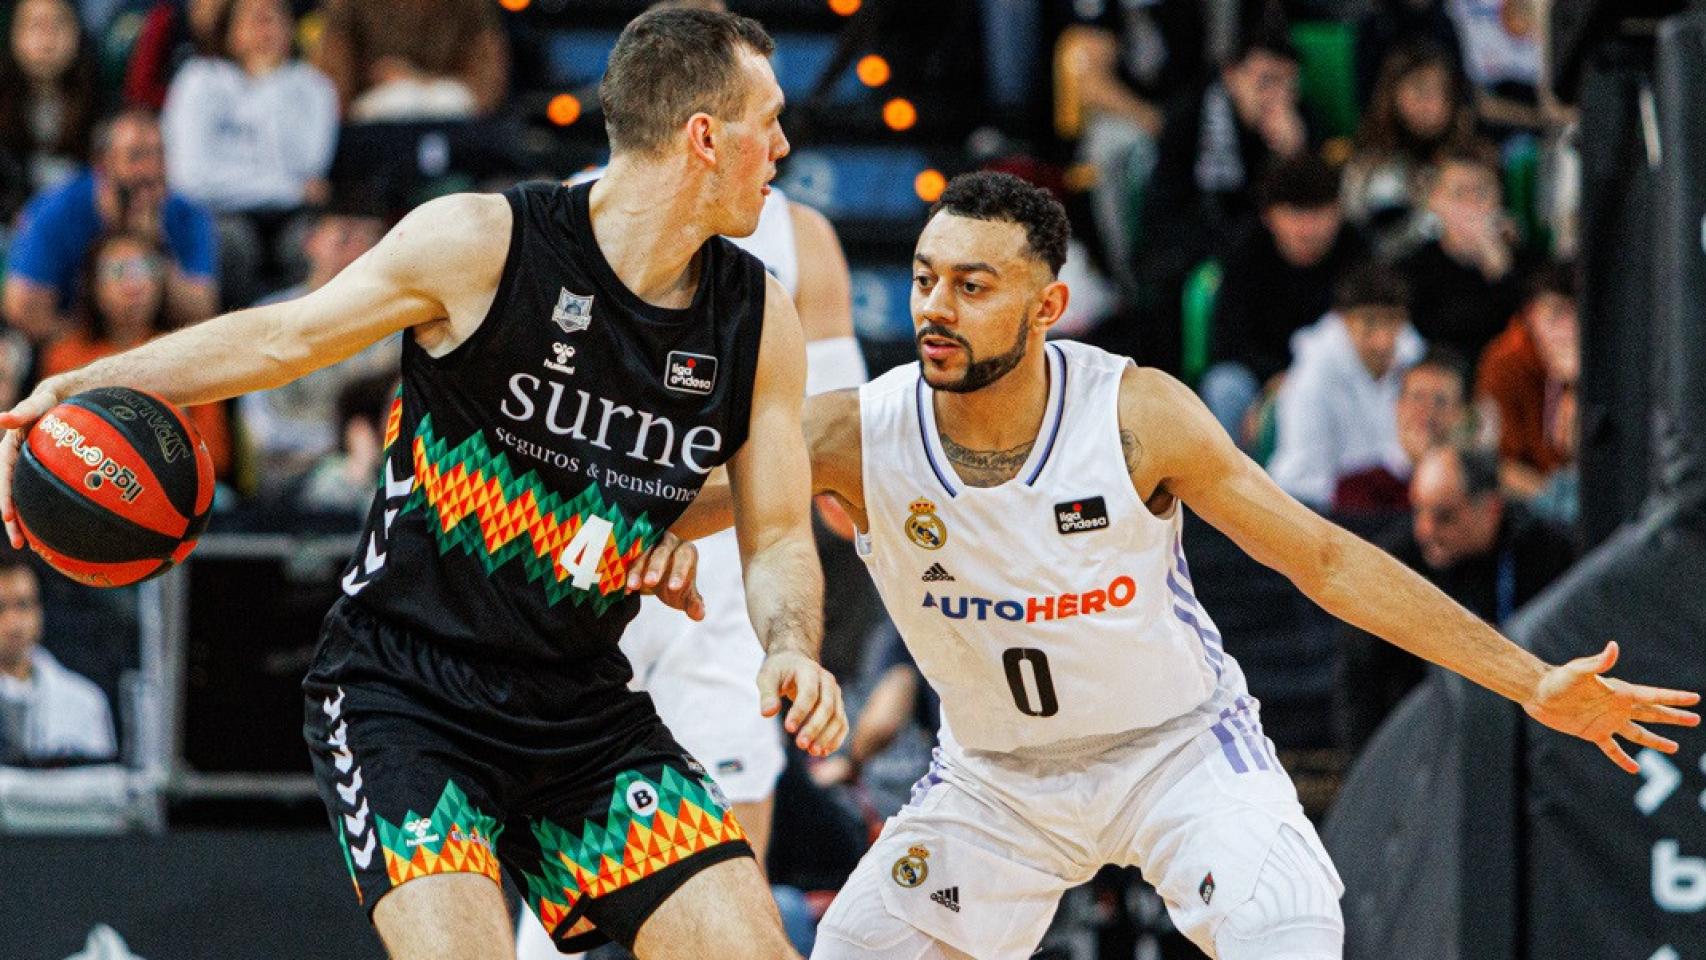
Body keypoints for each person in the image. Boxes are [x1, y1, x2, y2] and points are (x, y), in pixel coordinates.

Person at [675, 170, 1698, 960]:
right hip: (992, 780)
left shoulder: (1133, 414)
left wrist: (1529, 682)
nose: (935, 306)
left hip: (1175, 751)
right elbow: (677, 504)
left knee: (1292, 922)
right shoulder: (860, 432)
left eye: (972, 285)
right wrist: (565, 523)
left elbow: (1327, 561)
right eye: (924, 278)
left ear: (1047, 307)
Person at [0, 9, 847, 959]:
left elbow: (775, 535)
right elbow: (282, 338)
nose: (781, 146)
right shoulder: (484, 244)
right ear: (703, 137)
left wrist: (789, 644)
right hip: (405, 694)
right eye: (766, 121)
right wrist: (83, 384)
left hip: (579, 709)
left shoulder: (756, 319)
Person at [1335, 444, 1579, 750]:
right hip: (1422, 744)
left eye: (1444, 516)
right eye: (1418, 510)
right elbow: (1358, 681)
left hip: (1527, 737)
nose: (1425, 530)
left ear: (1490, 509)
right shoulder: (1395, 562)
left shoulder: (1546, 552)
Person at [161, 0, 340, 306]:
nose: (265, 29)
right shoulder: (198, 80)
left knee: (310, 245)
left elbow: (310, 163)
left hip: (291, 216)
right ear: (229, 28)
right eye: (255, 19)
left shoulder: (314, 87)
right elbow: (192, 177)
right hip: (219, 212)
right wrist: (287, 187)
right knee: (232, 242)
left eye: (274, 20)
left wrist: (270, 85)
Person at [3, 109, 220, 343]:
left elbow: (202, 312)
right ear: (103, 164)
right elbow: (21, 308)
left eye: (159, 155)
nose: (151, 169)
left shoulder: (187, 214)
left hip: (157, 346)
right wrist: (96, 349)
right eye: (136, 156)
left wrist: (157, 245)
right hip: (75, 345)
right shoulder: (56, 211)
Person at [1201, 154, 1369, 439]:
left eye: (1318, 213)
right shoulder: (1245, 253)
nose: (1308, 228)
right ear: (1269, 215)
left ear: (1338, 212)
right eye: (1295, 213)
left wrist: (1300, 380)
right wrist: (1275, 381)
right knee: (1224, 387)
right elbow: (1229, 343)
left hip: (1337, 380)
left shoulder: (1357, 254)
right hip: (1259, 379)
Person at [41, 231, 234, 480]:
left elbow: (216, 455)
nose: (135, 285)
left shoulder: (188, 352)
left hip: (175, 485)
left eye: (147, 269)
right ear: (93, 285)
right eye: (119, 271)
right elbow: (54, 445)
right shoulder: (65, 355)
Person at [237, 197, 392, 496]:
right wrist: (339, 444)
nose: (357, 252)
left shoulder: (395, 331)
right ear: (311, 241)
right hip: (286, 470)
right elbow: (259, 426)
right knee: (338, 483)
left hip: (368, 467)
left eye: (370, 242)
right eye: (345, 237)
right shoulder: (267, 318)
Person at [1266, 261, 1425, 511]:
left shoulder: (1416, 362)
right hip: (1314, 509)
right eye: (1370, 323)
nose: (1382, 341)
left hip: (1393, 505)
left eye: (1392, 322)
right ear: (1344, 320)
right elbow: (1303, 478)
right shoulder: (1312, 375)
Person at [1341, 41, 1475, 256]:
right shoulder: (1369, 163)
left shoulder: (1467, 157)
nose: (1434, 104)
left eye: (1443, 93)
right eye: (1421, 90)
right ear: (1392, 93)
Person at [1399, 140, 1526, 360]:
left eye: (1481, 192)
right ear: (1434, 200)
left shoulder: (1525, 265)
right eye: (1458, 193)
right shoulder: (1411, 270)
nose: (1470, 204)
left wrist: (1501, 271)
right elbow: (1436, 335)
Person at [0, 549, 115, 765]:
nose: (13, 623)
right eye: (0, 608)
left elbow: (102, 791)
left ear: (40, 611)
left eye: (23, 605)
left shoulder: (85, 701)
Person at [1476, 258, 1577, 500]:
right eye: (1555, 314)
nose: (1568, 329)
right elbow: (1497, 464)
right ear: (1531, 315)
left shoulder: (1607, 355)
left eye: (1577, 314)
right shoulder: (1506, 363)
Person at [314, 0, 508, 121]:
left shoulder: (469, 6)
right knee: (395, 102)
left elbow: (486, 82)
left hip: (452, 122)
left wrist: (417, 80)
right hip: (373, 123)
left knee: (447, 99)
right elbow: (330, 86)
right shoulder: (349, 6)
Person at [1333, 346, 1470, 515]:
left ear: (1460, 414)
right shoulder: (1355, 488)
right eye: (1417, 397)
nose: (1427, 412)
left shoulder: (1474, 492)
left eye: (1440, 401)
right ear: (1398, 406)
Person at [0, 0, 99, 226]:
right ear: (14, 34)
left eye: (58, 23)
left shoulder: (100, 101)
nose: (48, 37)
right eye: (36, 24)